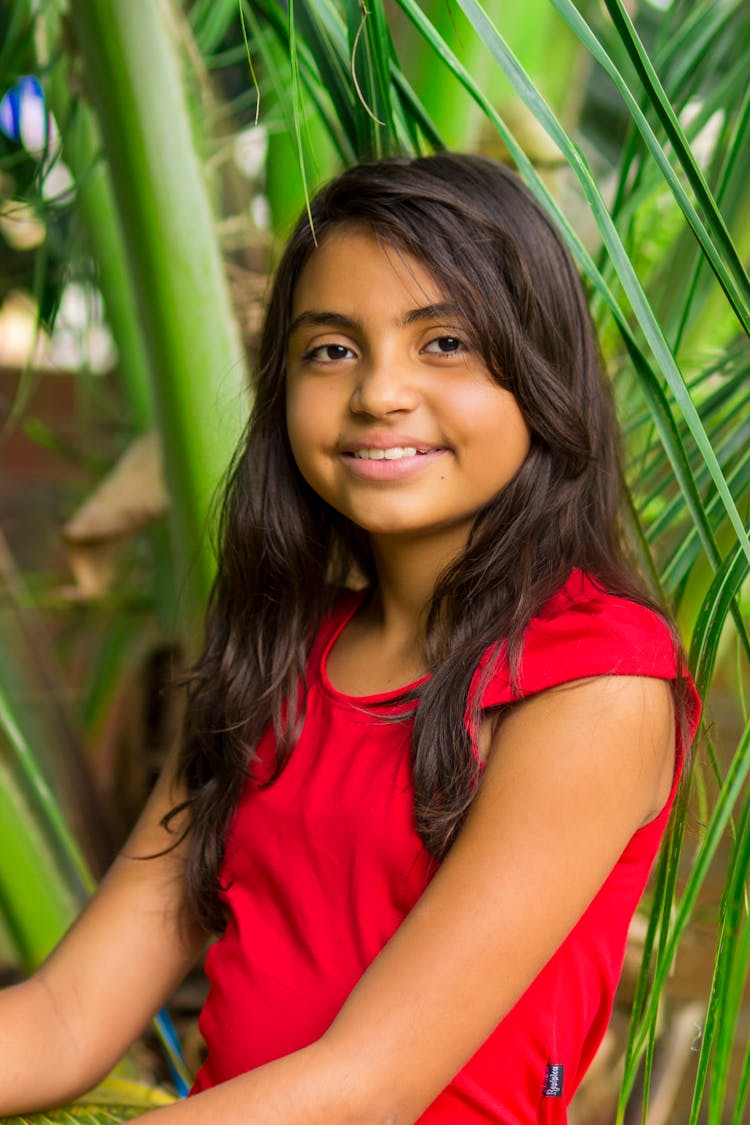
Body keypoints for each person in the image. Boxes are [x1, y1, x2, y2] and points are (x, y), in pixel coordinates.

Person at [0, 153, 700, 1124]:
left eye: (444, 342)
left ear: (539, 375)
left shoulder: (597, 682)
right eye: (331, 349)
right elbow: (68, 1016)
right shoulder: (270, 663)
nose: (379, 392)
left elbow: (366, 1087)